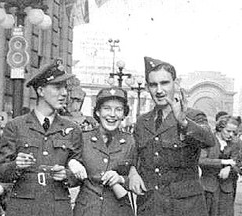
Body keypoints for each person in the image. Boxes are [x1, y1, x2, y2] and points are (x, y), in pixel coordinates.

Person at [128, 56, 216, 216]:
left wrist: (183, 121)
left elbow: (208, 140)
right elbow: (135, 154)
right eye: (153, 85)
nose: (159, 90)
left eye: (164, 83)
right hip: (150, 206)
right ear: (147, 87)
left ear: (175, 84)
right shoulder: (142, 121)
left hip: (185, 208)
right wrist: (133, 171)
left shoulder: (192, 116)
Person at [0, 59, 84, 216]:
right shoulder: (16, 126)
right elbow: (1, 172)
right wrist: (16, 165)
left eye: (65, 88)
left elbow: (79, 175)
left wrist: (66, 175)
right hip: (22, 208)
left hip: (58, 208)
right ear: (41, 91)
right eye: (57, 87)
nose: (64, 93)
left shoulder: (73, 129)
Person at [73, 87, 135, 216]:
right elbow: (71, 178)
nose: (112, 114)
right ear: (97, 112)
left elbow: (140, 178)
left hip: (118, 210)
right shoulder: (83, 139)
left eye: (118, 109)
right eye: (106, 108)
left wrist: (121, 179)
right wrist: (71, 164)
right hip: (87, 210)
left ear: (124, 115)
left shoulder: (131, 142)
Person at [199, 115, 242, 216]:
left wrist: (230, 168)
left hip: (226, 189)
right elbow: (200, 160)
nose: (231, 135)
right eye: (228, 131)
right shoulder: (208, 140)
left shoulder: (236, 143)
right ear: (220, 128)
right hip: (208, 187)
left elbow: (238, 162)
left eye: (234, 132)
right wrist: (223, 162)